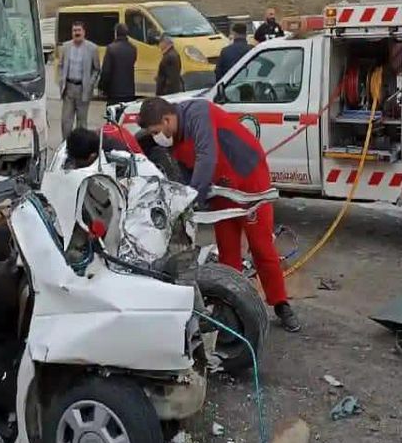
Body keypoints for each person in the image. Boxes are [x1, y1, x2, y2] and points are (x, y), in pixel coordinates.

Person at [138, 96, 301, 332]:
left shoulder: (198, 113)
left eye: (155, 130)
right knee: (228, 252)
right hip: (220, 187)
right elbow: (186, 172)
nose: (156, 136)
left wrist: (192, 198)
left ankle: (281, 305)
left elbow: (206, 156)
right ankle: (231, 308)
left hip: (249, 180)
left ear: (166, 119)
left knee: (261, 246)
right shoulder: (173, 137)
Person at [58, 21, 100, 140]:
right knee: (66, 121)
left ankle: (80, 147)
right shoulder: (65, 47)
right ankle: (65, 145)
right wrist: (61, 80)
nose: (76, 33)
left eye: (78, 30)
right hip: (69, 89)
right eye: (74, 30)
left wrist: (91, 84)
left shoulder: (92, 48)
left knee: (81, 122)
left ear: (83, 32)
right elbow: (60, 65)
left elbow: (97, 69)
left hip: (83, 89)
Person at [99, 22, 137, 110]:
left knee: (113, 117)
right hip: (129, 91)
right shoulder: (133, 49)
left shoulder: (111, 48)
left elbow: (106, 71)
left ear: (116, 33)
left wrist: (102, 87)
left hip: (114, 91)